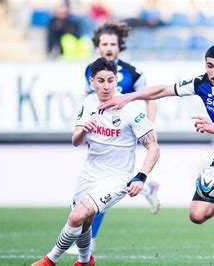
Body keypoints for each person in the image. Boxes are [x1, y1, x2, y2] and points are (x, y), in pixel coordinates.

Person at [99, 44, 214, 266]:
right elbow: (163, 90)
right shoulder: (202, 83)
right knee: (197, 216)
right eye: (210, 66)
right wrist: (128, 98)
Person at [32, 58, 160, 266]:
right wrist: (83, 129)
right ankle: (85, 262)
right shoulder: (88, 102)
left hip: (117, 177)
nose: (106, 85)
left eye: (110, 80)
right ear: (92, 81)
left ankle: (49, 260)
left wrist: (141, 177)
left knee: (76, 217)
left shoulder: (131, 109)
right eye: (101, 80)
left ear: (116, 80)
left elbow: (153, 147)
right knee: (85, 222)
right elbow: (76, 142)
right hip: (89, 172)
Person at [67, 20, 160, 255]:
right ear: (98, 46)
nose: (108, 47)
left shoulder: (132, 73)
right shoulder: (91, 70)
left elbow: (149, 98)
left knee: (105, 183)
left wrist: (149, 126)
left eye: (113, 44)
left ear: (120, 46)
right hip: (101, 131)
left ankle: (91, 239)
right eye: (104, 43)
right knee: (103, 183)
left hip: (127, 131)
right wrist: (82, 121)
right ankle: (148, 188)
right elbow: (87, 96)